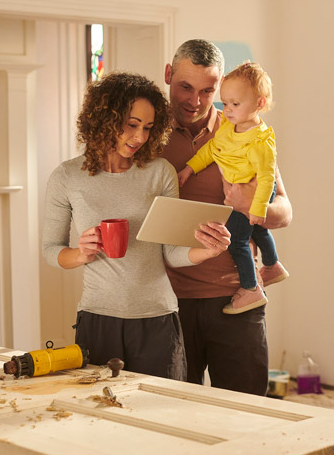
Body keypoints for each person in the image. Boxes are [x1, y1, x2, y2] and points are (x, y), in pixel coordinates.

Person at [42, 71, 231, 380]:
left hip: (158, 319)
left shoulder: (160, 172)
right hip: (97, 318)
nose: (140, 138)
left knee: (161, 417)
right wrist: (80, 254)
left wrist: (207, 252)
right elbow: (51, 250)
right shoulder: (67, 177)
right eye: (131, 125)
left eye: (148, 127)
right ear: (104, 119)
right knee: (100, 415)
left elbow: (170, 253)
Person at [159, 39, 292, 397]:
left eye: (208, 91)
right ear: (168, 75)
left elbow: (284, 212)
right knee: (173, 416)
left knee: (246, 417)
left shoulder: (245, 132)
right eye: (185, 87)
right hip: (167, 302)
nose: (195, 101)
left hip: (236, 299)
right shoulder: (145, 134)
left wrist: (253, 203)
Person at [177, 61, 289, 315]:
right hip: (182, 293)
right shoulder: (229, 127)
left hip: (255, 194)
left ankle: (250, 289)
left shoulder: (261, 142)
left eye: (234, 104)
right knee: (257, 231)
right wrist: (190, 168)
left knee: (238, 240)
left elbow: (267, 179)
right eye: (224, 103)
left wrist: (256, 207)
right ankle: (273, 265)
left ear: (259, 104)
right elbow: (212, 150)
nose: (226, 110)